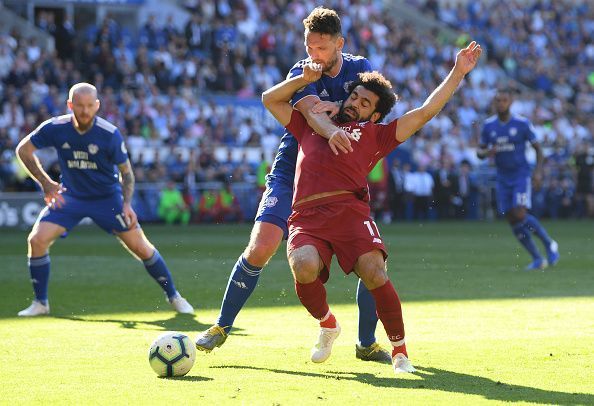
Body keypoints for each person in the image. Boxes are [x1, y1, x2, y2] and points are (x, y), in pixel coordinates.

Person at [262, 41, 482, 375]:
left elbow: (424, 112)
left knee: (375, 272)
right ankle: (328, 324)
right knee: (303, 266)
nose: (355, 103)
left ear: (375, 115)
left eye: (365, 103)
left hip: (351, 213)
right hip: (307, 215)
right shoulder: (311, 119)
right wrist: (300, 83)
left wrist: (457, 72)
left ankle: (399, 351)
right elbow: (269, 99)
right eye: (354, 96)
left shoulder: (378, 135)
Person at [196, 7, 392, 363]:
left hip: (342, 175)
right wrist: (331, 125)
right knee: (261, 246)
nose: (312, 55)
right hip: (295, 168)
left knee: (370, 258)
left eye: (320, 48)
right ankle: (222, 326)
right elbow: (313, 116)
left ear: (339, 44)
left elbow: (376, 110)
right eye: (308, 46)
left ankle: (366, 342)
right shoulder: (300, 73)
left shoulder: (360, 68)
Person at [15, 82, 194, 316]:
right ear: (70, 105)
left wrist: (127, 204)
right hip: (71, 196)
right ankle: (40, 303)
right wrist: (46, 183)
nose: (85, 111)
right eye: (79, 106)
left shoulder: (109, 134)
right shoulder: (55, 128)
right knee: (37, 240)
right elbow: (23, 150)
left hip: (107, 198)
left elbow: (127, 173)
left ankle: (174, 296)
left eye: (90, 105)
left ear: (97, 105)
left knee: (140, 246)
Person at [478, 89, 560, 270]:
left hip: (520, 175)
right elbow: (479, 152)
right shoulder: (488, 126)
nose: (501, 103)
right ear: (494, 103)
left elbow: (538, 149)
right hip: (502, 177)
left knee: (520, 213)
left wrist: (538, 172)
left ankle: (549, 243)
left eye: (504, 100)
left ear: (511, 102)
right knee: (512, 219)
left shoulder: (522, 123)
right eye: (498, 101)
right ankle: (538, 258)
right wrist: (486, 152)